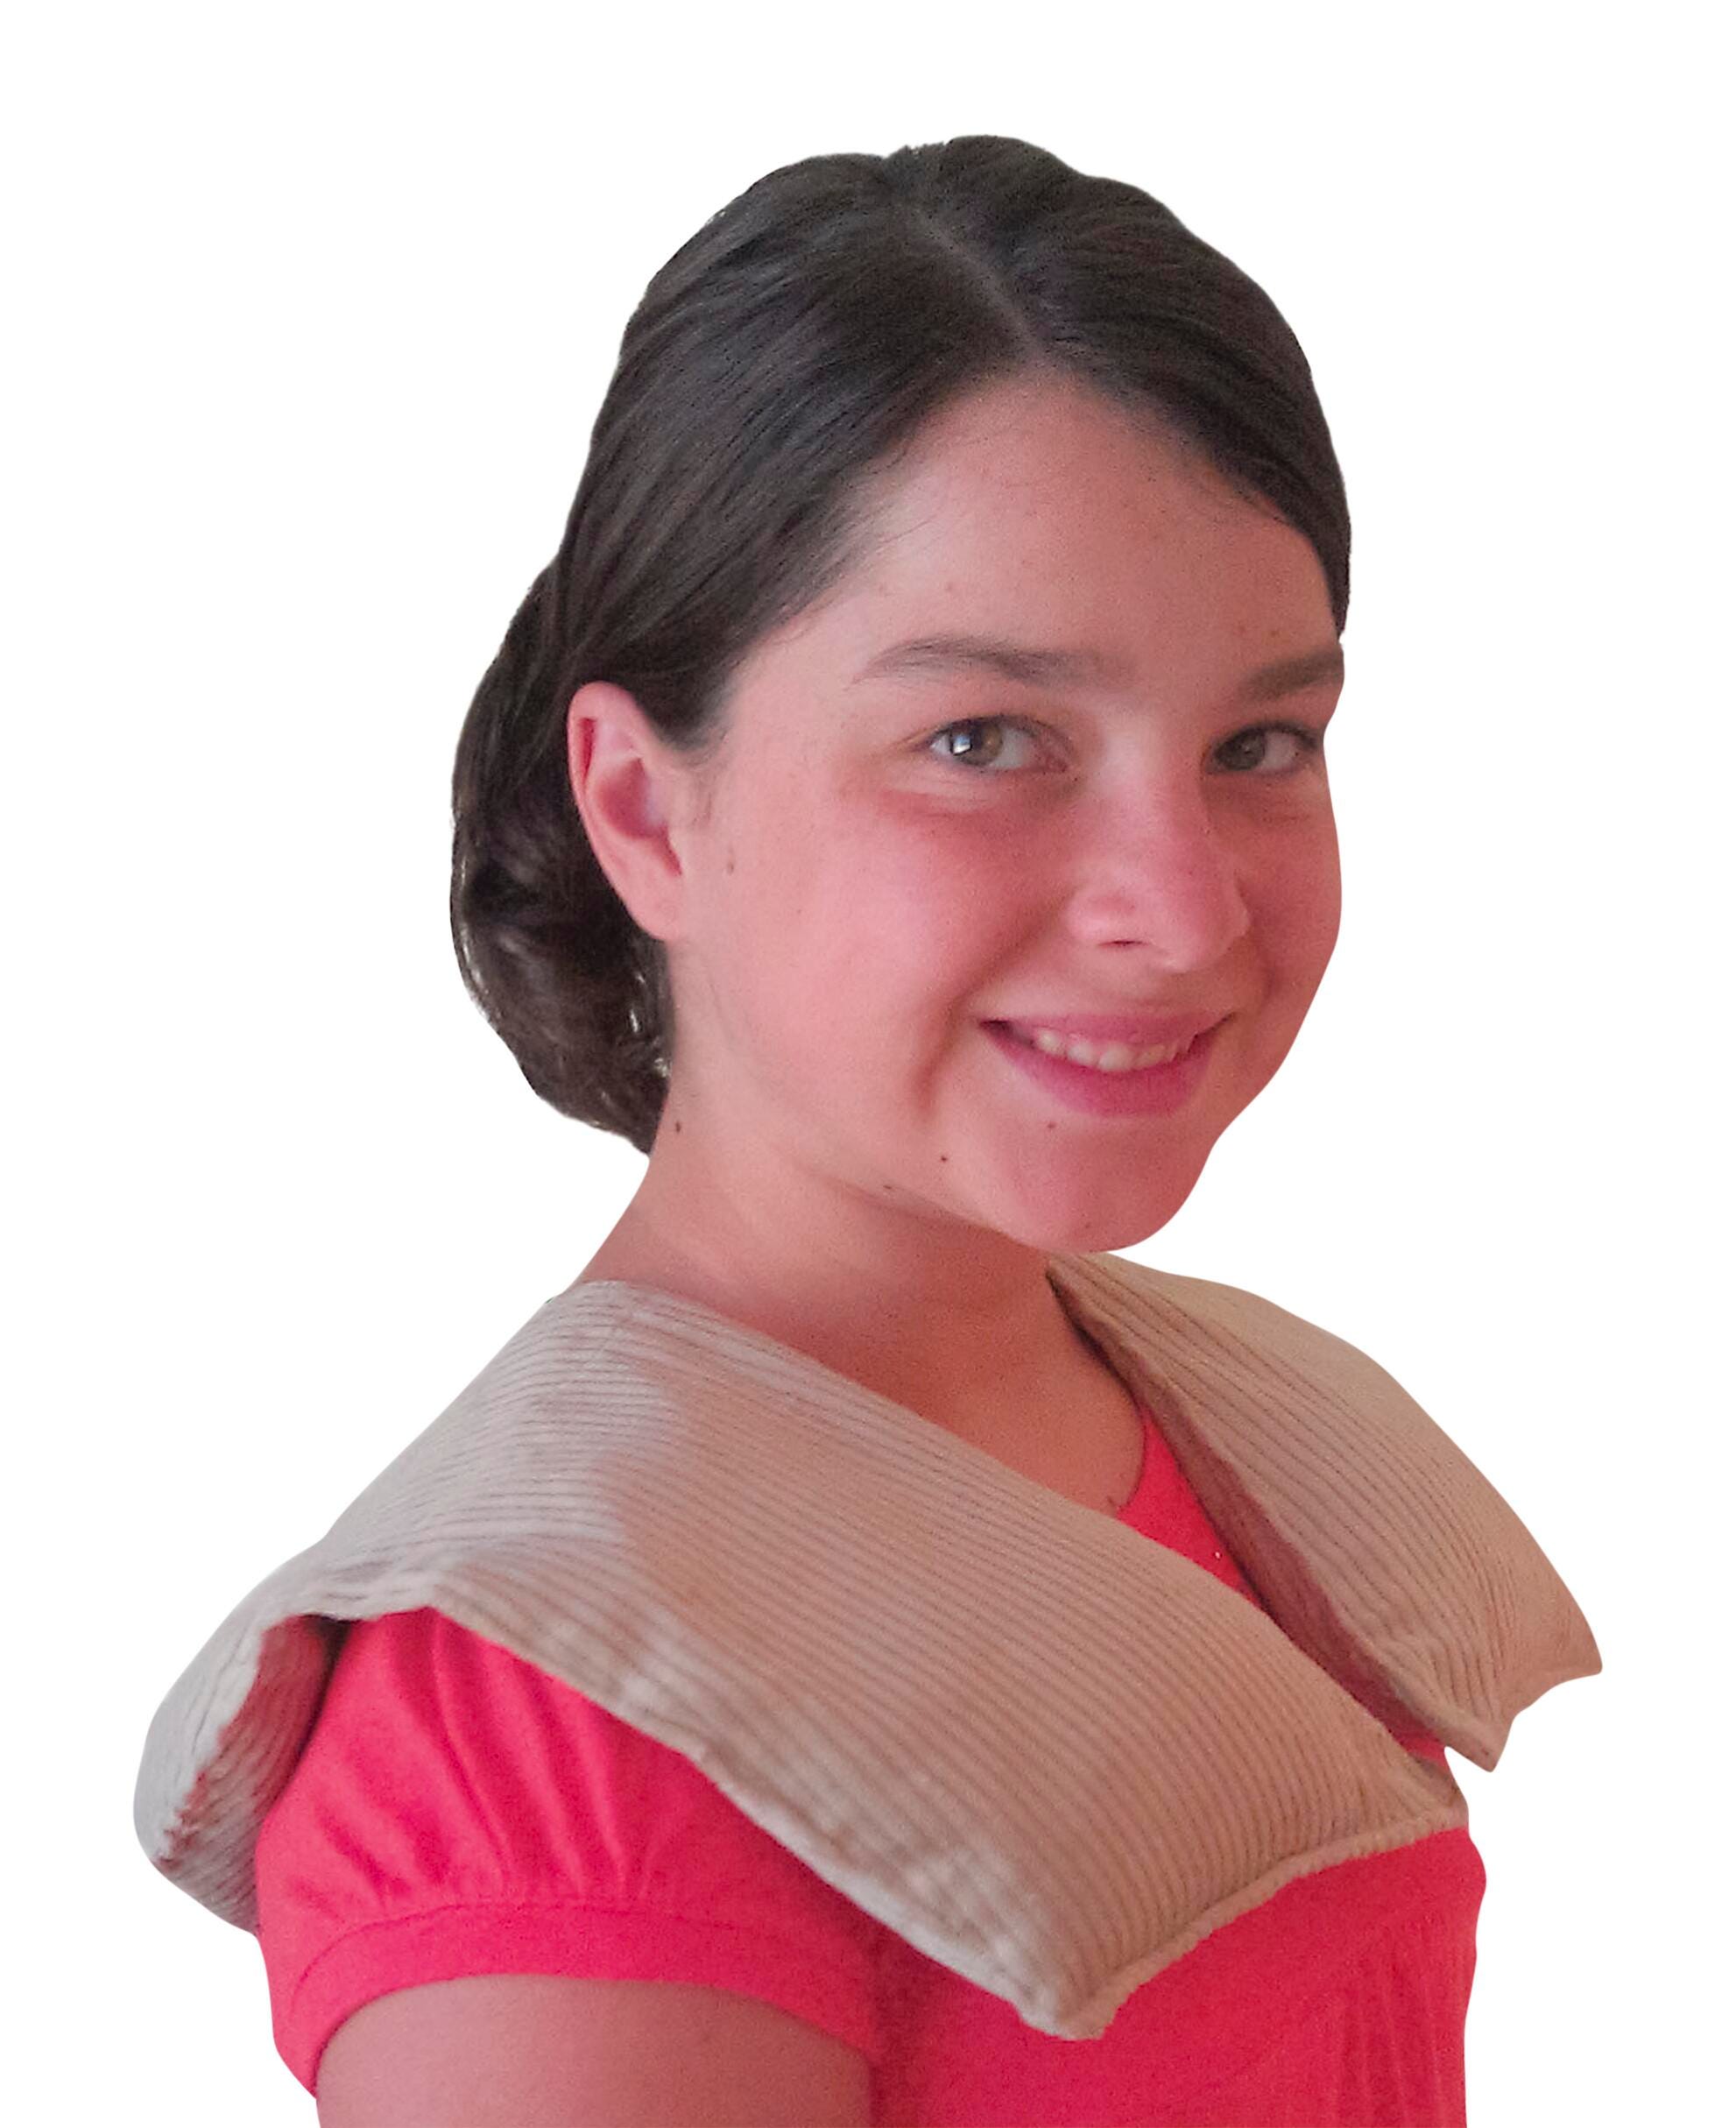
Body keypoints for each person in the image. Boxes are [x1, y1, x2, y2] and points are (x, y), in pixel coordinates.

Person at [134, 135, 1598, 2125]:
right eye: (982, 741)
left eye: (1258, 742)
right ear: (644, 811)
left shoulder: (1229, 1418)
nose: (1184, 910)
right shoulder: (556, 1727)